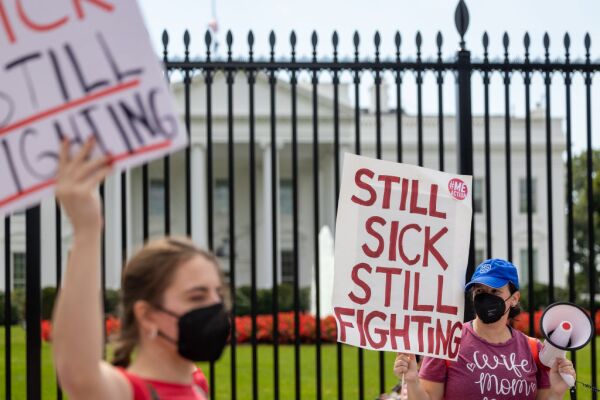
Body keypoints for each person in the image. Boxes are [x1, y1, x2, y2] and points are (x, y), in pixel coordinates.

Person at [52, 137, 231, 400]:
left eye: (218, 293)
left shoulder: (196, 385)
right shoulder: (130, 393)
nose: (216, 306)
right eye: (197, 296)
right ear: (147, 314)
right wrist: (87, 230)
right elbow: (79, 373)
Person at [393, 258, 576, 400]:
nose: (486, 298)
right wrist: (412, 380)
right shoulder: (449, 342)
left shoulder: (534, 350)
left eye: (495, 292)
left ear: (514, 298)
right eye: (479, 292)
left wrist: (557, 392)